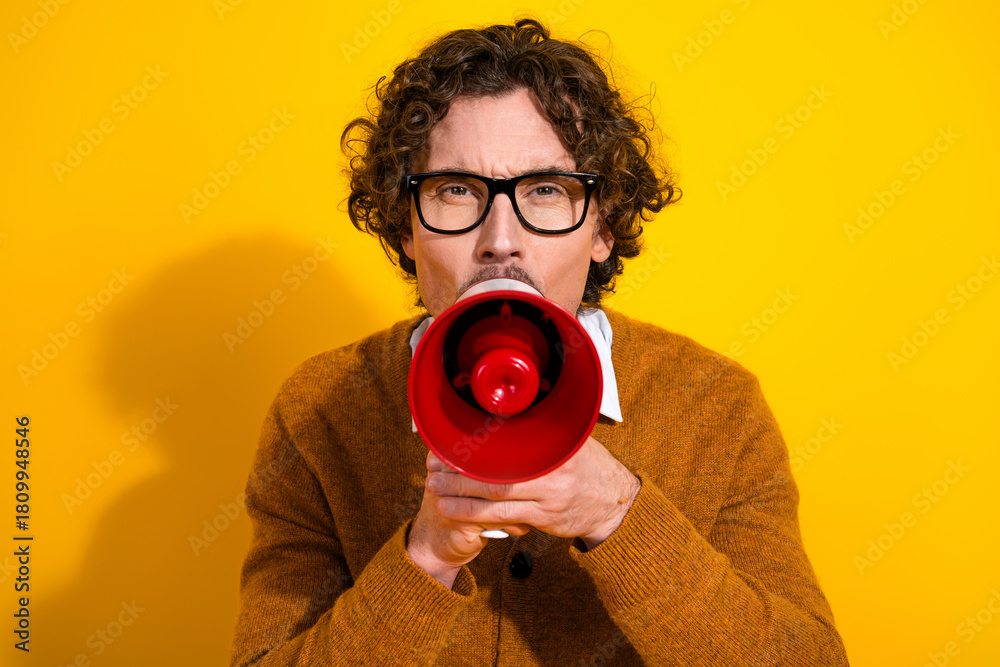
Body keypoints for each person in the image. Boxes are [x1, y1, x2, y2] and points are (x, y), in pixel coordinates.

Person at [230, 18, 850, 666]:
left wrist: (618, 511)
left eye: (546, 190)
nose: (502, 237)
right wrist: (426, 557)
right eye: (457, 190)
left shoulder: (716, 407)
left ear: (602, 228)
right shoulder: (319, 410)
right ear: (405, 226)